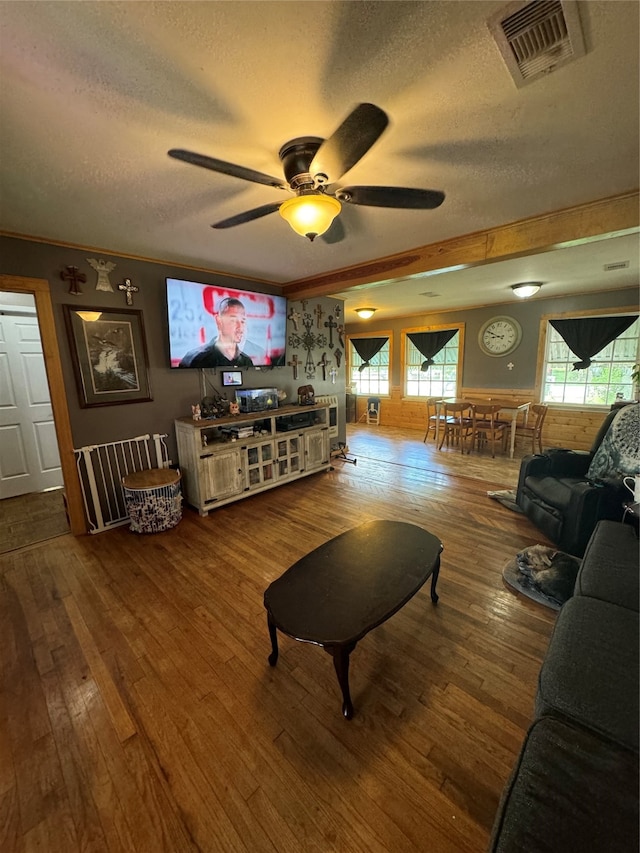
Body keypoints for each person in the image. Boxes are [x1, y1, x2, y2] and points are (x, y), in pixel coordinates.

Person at [179, 297, 255, 368]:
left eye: (242, 321)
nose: (240, 328)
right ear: (219, 321)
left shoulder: (247, 362)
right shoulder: (195, 360)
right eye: (233, 320)